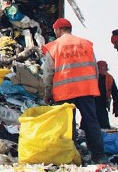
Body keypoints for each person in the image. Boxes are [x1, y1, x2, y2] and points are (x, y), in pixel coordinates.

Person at [42, 18, 106, 163]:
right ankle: (99, 155)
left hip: (64, 91)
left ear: (58, 30)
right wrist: (91, 85)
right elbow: (95, 69)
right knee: (91, 121)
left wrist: (47, 93)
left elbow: (48, 74)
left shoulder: (54, 46)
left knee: (67, 123)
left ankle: (71, 156)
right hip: (86, 89)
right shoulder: (85, 44)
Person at [94, 60, 118, 129]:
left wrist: (117, 106)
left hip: (102, 104)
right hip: (92, 103)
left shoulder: (109, 78)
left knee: (104, 124)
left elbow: (115, 93)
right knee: (89, 122)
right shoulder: (91, 77)